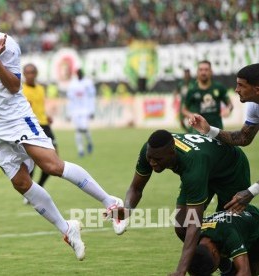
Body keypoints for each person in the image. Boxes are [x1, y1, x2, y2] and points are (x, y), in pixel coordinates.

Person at [0, 1, 124, 261]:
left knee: (52, 166)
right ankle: (68, 229)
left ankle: (110, 201)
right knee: (21, 183)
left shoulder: (5, 46)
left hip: (17, 120)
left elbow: (12, 86)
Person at [108, 130, 256, 275]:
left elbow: (195, 224)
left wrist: (181, 270)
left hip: (230, 170)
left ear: (172, 152)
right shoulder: (150, 150)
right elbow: (136, 188)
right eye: (150, 158)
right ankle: (225, 267)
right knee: (181, 225)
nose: (152, 163)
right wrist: (127, 209)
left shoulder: (193, 168)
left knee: (229, 222)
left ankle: (245, 267)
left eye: (158, 160)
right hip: (202, 164)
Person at [189, 63, 259, 211]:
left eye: (241, 85)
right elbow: (243, 138)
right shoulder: (254, 106)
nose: (236, 89)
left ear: (257, 89)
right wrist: (209, 130)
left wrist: (251, 192)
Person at [188, 204, 259, 275]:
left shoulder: (229, 235)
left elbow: (245, 272)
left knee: (253, 268)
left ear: (214, 252)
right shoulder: (195, 236)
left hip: (255, 222)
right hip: (235, 220)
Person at [22, 63, 57, 190]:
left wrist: (46, 116)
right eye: (28, 73)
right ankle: (31, 190)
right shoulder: (21, 91)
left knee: (54, 159)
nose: (30, 75)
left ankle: (40, 186)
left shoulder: (41, 89)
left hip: (45, 125)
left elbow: (39, 107)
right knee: (34, 161)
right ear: (24, 74)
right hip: (32, 127)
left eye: (33, 72)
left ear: (36, 74)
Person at [181, 60, 233, 133]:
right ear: (197, 72)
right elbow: (184, 110)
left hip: (217, 129)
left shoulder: (219, 87)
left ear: (211, 71)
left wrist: (228, 109)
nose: (203, 72)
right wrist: (191, 115)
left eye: (206, 70)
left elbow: (230, 104)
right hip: (198, 130)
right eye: (201, 70)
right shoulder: (191, 90)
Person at [66, 68, 96, 157]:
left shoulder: (88, 83)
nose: (79, 75)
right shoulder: (73, 84)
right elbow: (70, 99)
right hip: (75, 110)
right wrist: (69, 113)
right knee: (78, 130)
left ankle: (89, 142)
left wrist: (92, 110)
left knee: (84, 129)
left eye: (80, 73)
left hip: (85, 110)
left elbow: (91, 97)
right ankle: (80, 150)